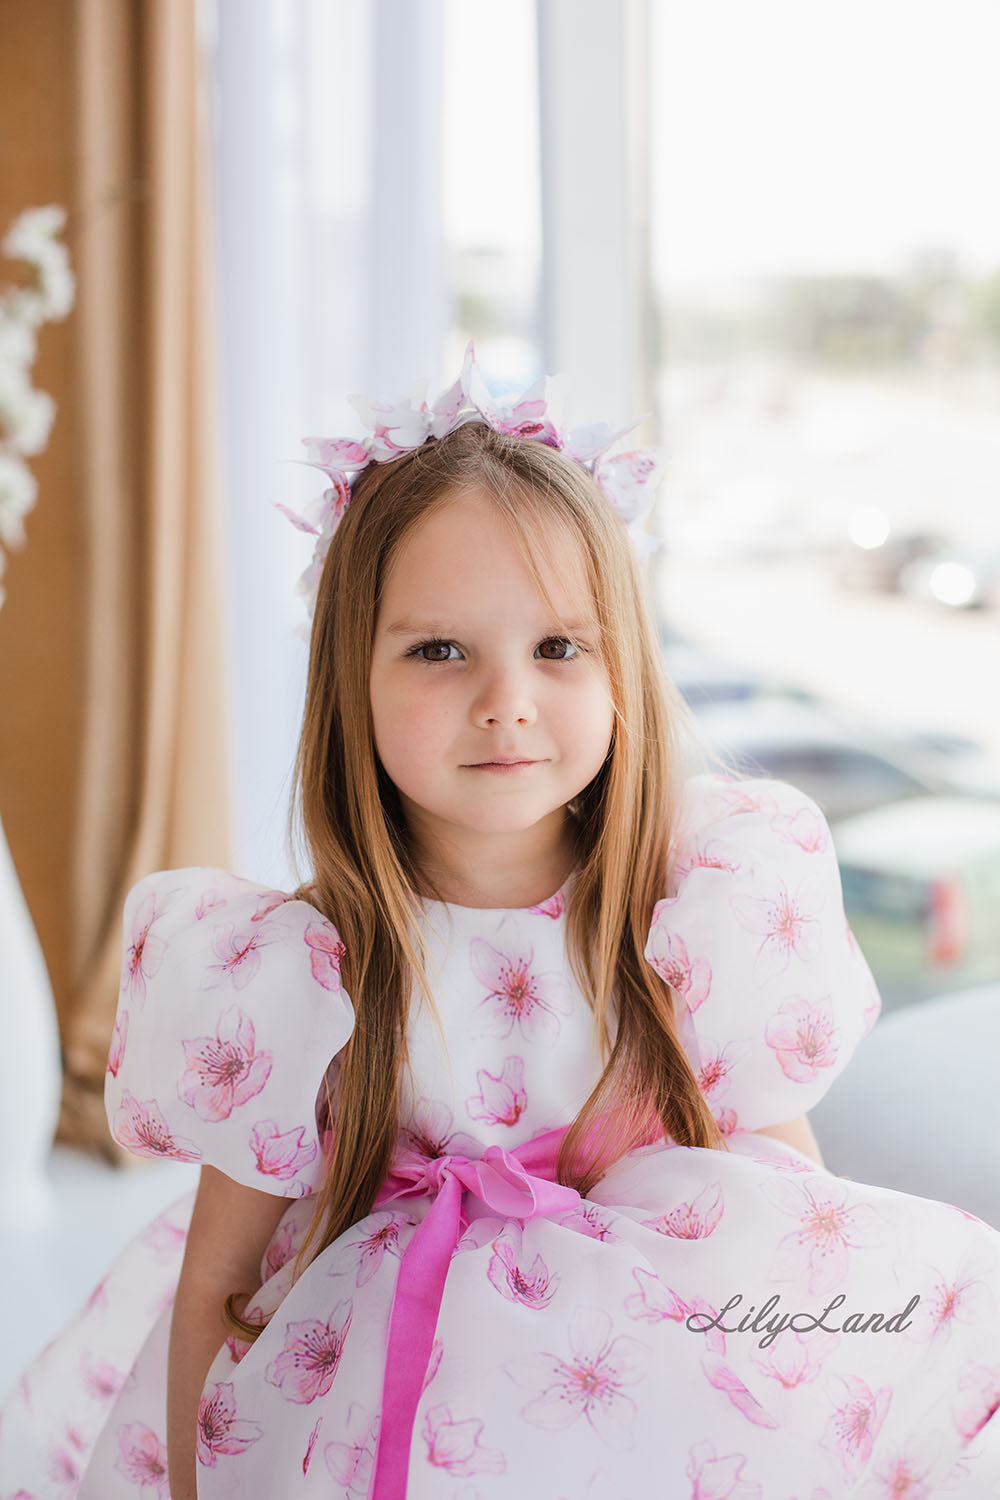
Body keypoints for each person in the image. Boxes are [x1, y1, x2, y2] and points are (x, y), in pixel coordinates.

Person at [2, 346, 999, 1500]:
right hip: (368, 1410)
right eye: (438, 650)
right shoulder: (292, 970)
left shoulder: (692, 922)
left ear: (621, 666)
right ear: (348, 680)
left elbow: (792, 1217)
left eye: (557, 647)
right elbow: (216, 1281)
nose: (506, 699)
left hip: (636, 1407)